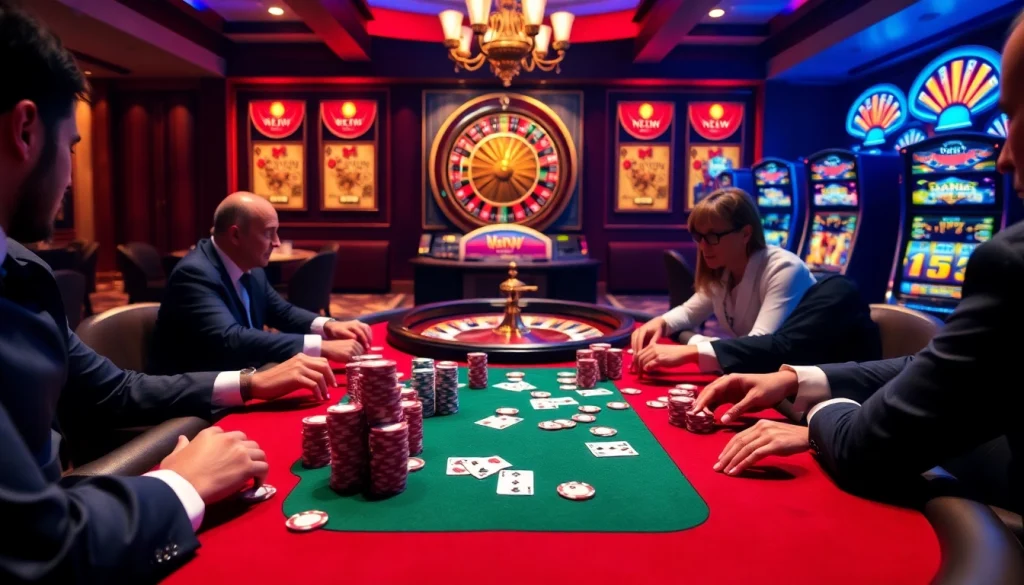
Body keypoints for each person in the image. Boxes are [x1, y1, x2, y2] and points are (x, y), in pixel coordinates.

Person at [0, 3, 334, 581]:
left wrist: (252, 383)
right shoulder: (193, 274)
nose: (72, 175)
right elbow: (36, 548)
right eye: (73, 147)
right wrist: (181, 483)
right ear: (25, 129)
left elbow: (112, 390)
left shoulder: (22, 273)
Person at [689, 14, 1024, 515]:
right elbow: (926, 370)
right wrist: (797, 379)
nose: (1002, 156)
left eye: (1017, 114)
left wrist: (817, 411)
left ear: (744, 233)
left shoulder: (1009, 267)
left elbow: (868, 446)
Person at [632, 188, 873, 375]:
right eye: (698, 236)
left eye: (713, 236)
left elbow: (761, 343)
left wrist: (690, 350)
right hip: (765, 373)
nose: (703, 246)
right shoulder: (722, 270)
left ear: (746, 233)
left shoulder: (783, 268)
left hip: (810, 383)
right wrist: (661, 322)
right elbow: (689, 312)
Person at [151, 192, 371, 374]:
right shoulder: (195, 274)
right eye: (269, 234)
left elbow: (282, 312)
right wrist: (320, 347)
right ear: (235, 235)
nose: (276, 243)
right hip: (199, 403)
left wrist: (328, 326)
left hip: (245, 378)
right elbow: (232, 338)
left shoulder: (251, 267)